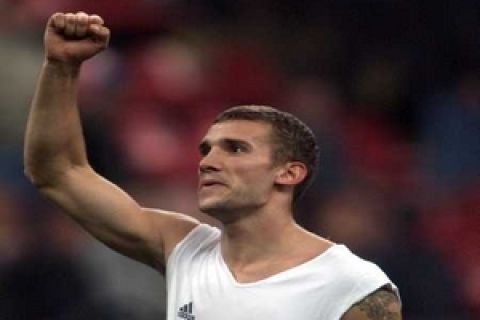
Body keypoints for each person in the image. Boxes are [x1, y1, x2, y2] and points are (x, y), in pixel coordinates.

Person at [24, 12, 402, 320]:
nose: (209, 161)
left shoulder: (351, 285)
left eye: (235, 149)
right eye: (206, 150)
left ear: (288, 172)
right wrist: (61, 67)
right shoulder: (182, 247)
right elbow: (57, 172)